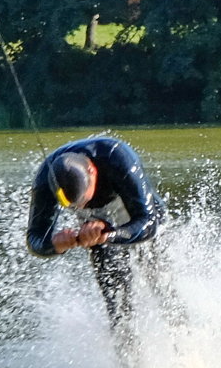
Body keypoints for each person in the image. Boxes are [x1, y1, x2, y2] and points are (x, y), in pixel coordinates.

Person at [26, 135, 166, 329]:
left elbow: (149, 223)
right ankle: (128, 355)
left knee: (160, 282)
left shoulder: (116, 158)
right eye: (73, 206)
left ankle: (185, 337)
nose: (80, 207)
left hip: (138, 217)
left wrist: (109, 234)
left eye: (83, 201)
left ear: (92, 171)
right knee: (117, 307)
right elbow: (35, 239)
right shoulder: (45, 181)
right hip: (97, 233)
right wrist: (55, 244)